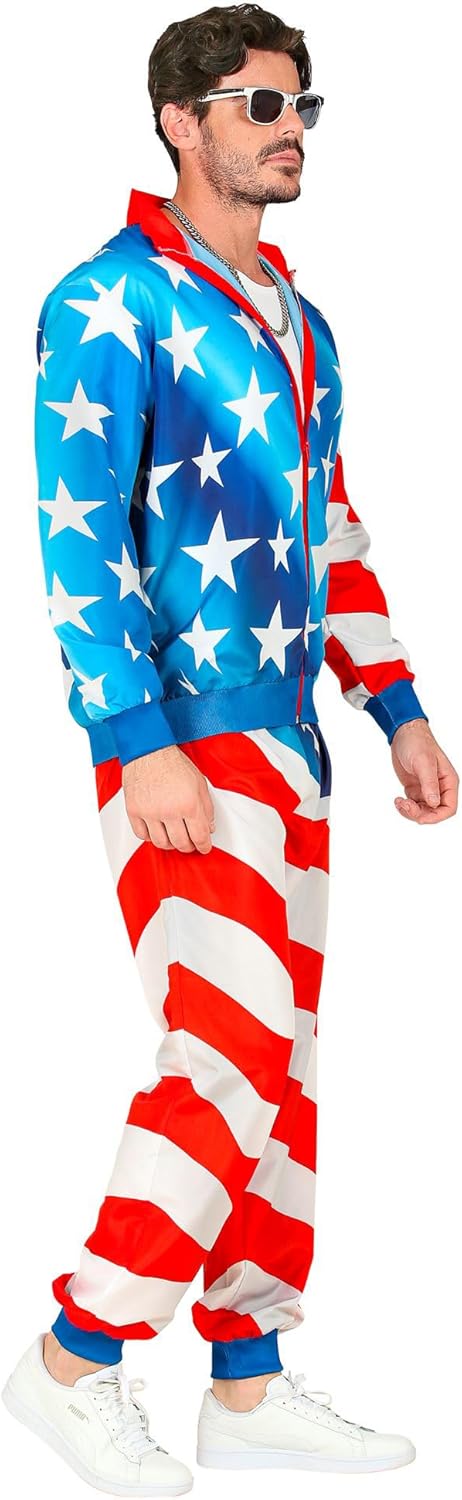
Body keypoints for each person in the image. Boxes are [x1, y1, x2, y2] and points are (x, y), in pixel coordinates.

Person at [2, 3, 458, 1493]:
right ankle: (74, 1358)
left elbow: (332, 529)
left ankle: (246, 1381)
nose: (287, 128)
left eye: (300, 104)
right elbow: (78, 538)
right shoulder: (108, 301)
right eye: (258, 103)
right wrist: (137, 742)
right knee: (228, 1054)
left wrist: (397, 710)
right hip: (185, 744)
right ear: (179, 121)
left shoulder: (296, 322)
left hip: (295, 745)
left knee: (284, 1071)